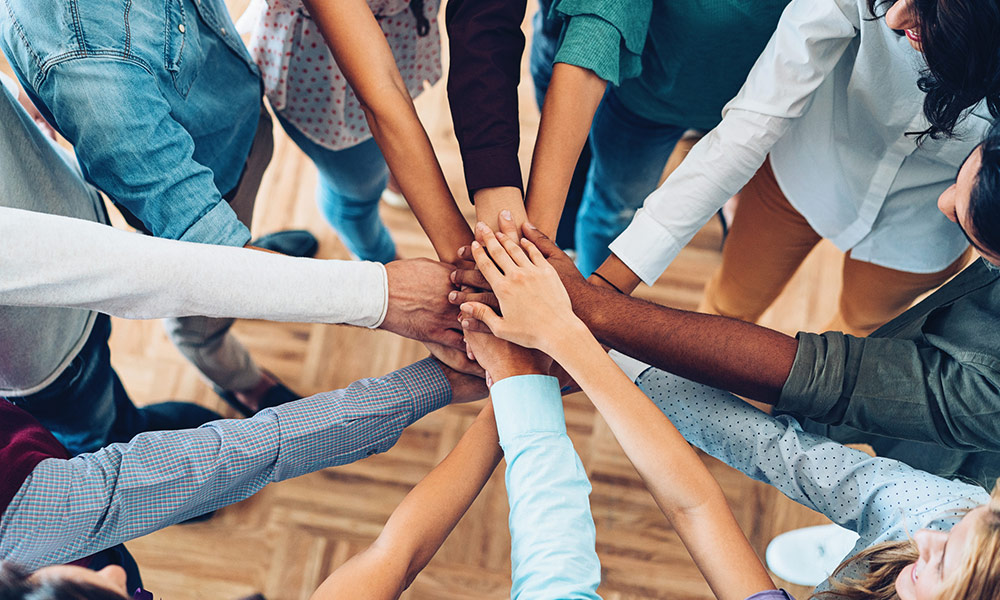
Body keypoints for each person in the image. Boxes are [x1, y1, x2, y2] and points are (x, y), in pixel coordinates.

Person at [459, 220, 1000, 600]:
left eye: (944, 560)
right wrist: (595, 348)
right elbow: (766, 461)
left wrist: (568, 340)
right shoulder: (940, 511)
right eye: (956, 534)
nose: (927, 539)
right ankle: (859, 558)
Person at [0, 80, 468, 457]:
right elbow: (139, 272)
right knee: (94, 422)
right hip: (41, 343)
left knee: (228, 229)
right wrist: (380, 296)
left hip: (75, 202)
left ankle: (250, 253)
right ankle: (143, 437)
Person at [587, 0, 1000, 336]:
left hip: (922, 230)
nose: (894, 17)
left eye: (934, 8)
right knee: (726, 309)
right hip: (801, 172)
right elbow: (751, 122)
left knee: (855, 338)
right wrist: (606, 289)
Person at [0, 0, 317, 414]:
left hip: (236, 133)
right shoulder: (86, 67)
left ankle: (255, 244)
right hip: (207, 200)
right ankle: (242, 384)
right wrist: (368, 296)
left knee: (242, 225)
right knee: (202, 326)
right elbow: (217, 254)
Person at [0, 356, 486, 595]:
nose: (110, 570)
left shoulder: (42, 516)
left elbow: (396, 558)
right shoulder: (44, 518)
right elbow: (394, 558)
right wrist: (512, 396)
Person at [521, 0, 790, 276]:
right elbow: (594, 32)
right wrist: (538, 237)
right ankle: (590, 284)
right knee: (613, 210)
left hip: (754, 105)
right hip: (646, 103)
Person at [241, 0, 441, 264]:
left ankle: (385, 173)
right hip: (327, 68)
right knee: (354, 195)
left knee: (376, 154)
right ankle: (376, 257)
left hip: (399, 30)